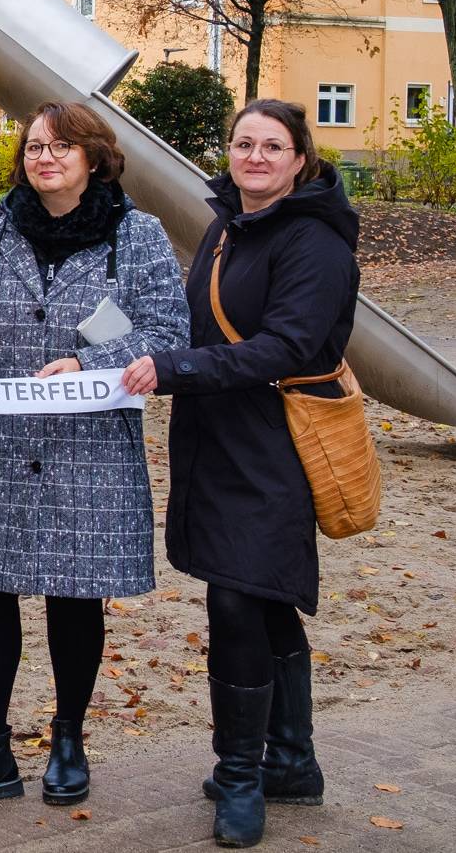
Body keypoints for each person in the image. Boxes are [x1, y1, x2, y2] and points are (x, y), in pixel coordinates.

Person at [0, 100, 189, 812]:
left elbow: (169, 327)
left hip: (88, 447)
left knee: (75, 595)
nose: (44, 157)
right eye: (35, 146)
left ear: (93, 157)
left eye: (61, 147)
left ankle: (68, 737)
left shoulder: (137, 236)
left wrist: (90, 360)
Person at [122, 98, 357, 849]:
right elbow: (201, 322)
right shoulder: (231, 225)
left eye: (272, 145)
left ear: (300, 159)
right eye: (243, 142)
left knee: (237, 598)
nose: (255, 156)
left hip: (275, 444)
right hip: (220, 439)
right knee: (265, 598)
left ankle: (242, 774)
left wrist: (176, 369)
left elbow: (284, 346)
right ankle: (291, 759)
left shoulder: (316, 245)